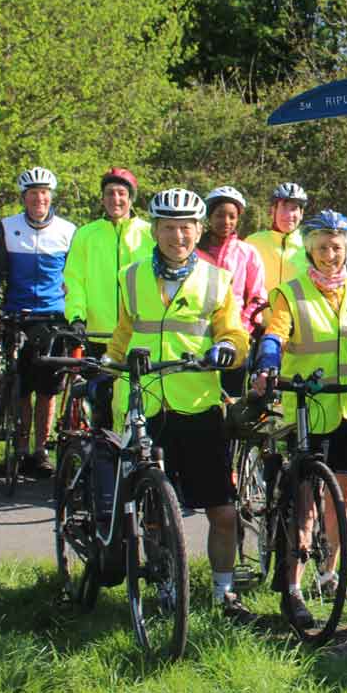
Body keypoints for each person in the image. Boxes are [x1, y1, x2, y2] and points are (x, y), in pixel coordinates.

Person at [106, 189, 251, 617]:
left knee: (223, 511)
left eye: (186, 227)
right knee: (151, 510)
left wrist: (229, 348)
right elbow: (124, 332)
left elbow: (236, 333)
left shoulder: (217, 279)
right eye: (169, 227)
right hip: (146, 404)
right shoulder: (131, 277)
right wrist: (105, 365)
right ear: (154, 229)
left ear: (198, 229)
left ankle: (224, 590)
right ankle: (164, 578)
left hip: (199, 405)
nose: (178, 235)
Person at [253, 210, 347, 627]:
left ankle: (331, 574)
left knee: (340, 500)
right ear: (310, 249)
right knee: (304, 505)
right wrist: (268, 363)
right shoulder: (290, 291)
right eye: (322, 247)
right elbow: (276, 331)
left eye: (338, 246)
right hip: (309, 406)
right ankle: (293, 587)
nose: (330, 254)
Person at [0, 166, 76, 479]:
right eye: (33, 194)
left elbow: (76, 277)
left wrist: (76, 309)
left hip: (53, 316)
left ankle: (41, 450)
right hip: (17, 315)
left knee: (48, 389)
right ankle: (21, 449)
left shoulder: (68, 230)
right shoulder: (7, 227)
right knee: (21, 386)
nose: (39, 199)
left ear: (51, 197)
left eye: (44, 194)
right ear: (24, 197)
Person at [63, 168, 153, 425]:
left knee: (138, 403)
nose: (116, 199)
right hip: (97, 334)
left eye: (122, 193)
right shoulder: (86, 234)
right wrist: (77, 316)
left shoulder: (149, 233)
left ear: (131, 198)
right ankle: (100, 457)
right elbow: (74, 280)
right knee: (100, 402)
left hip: (137, 333)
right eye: (110, 193)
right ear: (102, 198)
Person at [197, 186, 267, 395]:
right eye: (219, 215)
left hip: (236, 336)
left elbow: (257, 297)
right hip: (198, 334)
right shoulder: (195, 252)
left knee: (233, 396)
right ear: (209, 216)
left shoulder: (247, 253)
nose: (226, 222)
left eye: (232, 216)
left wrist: (242, 329)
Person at [246, 182, 308, 299]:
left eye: (294, 209)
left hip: (297, 315)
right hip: (259, 315)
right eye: (283, 208)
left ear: (301, 214)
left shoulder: (310, 245)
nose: (289, 215)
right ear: (273, 211)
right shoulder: (252, 242)